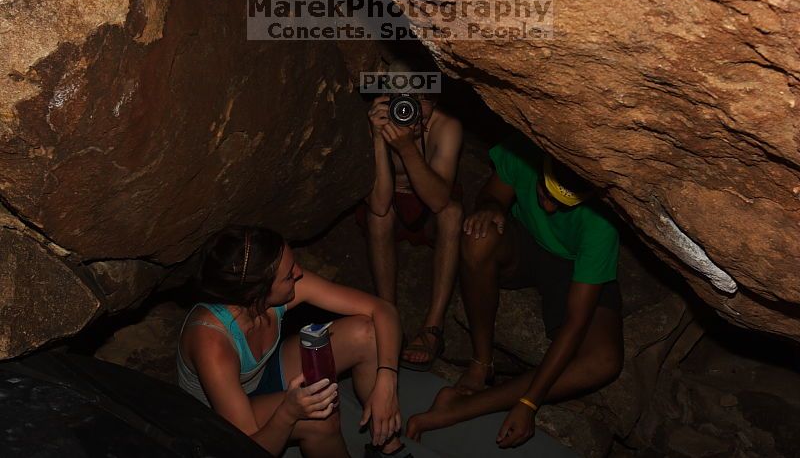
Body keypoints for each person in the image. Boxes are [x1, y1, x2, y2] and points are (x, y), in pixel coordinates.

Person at [406, 133, 624, 448]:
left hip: (573, 265)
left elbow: (576, 322)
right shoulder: (526, 152)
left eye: (560, 203)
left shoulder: (601, 225)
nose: (548, 207)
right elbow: (493, 192)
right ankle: (481, 364)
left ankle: (462, 408)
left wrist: (529, 403)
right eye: (544, 193)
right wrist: (491, 206)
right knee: (478, 236)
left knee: (604, 360)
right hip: (523, 243)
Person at [177, 226, 411, 458]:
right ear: (257, 292)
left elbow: (383, 310)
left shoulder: (263, 295)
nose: (298, 273)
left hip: (263, 377)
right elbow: (247, 451)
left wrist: (387, 378)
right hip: (220, 418)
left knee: (366, 332)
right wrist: (288, 413)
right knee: (320, 416)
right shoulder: (212, 343)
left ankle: (387, 445)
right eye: (289, 275)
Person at [359, 71, 463, 372]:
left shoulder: (446, 126)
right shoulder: (374, 122)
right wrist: (379, 140)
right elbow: (378, 205)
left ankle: (433, 328)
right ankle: (387, 316)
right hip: (390, 199)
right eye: (404, 97)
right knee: (378, 219)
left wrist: (406, 148)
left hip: (429, 201)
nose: (413, 106)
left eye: (424, 99)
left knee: (454, 212)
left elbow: (439, 201)